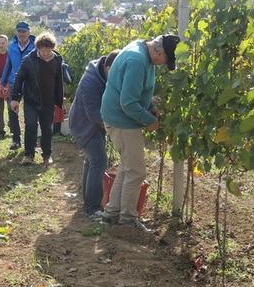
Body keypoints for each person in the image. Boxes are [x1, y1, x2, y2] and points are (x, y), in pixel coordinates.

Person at [99, 34, 180, 229]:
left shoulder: (141, 49)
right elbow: (128, 103)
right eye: (165, 60)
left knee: (128, 168)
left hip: (117, 118)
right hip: (122, 122)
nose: (162, 65)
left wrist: (149, 105)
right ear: (158, 51)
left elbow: (133, 91)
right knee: (136, 172)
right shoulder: (137, 60)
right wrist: (149, 120)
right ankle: (127, 220)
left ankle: (111, 213)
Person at [68, 50, 120, 217]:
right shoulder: (90, 81)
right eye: (115, 71)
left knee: (91, 161)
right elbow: (93, 113)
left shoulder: (104, 74)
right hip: (84, 125)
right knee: (99, 160)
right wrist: (115, 123)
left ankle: (88, 203)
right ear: (106, 66)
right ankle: (93, 208)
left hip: (93, 125)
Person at [10, 31, 64, 168]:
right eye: (43, 50)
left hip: (48, 101)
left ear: (52, 48)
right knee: (31, 126)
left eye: (48, 50)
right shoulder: (29, 60)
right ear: (38, 48)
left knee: (47, 128)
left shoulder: (57, 60)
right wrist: (15, 98)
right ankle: (29, 155)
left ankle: (47, 155)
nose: (45, 53)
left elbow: (59, 81)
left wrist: (59, 102)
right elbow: (19, 78)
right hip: (31, 100)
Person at [0, 21, 36, 150]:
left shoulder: (35, 45)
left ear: (29, 32)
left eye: (24, 31)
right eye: (19, 31)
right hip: (14, 83)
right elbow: (8, 65)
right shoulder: (12, 46)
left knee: (29, 111)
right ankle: (16, 139)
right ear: (16, 32)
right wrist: (2, 82)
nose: (21, 34)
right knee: (12, 110)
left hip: (31, 84)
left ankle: (30, 140)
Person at [52, 62, 72, 136]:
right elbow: (68, 79)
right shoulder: (63, 66)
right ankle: (56, 131)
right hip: (58, 90)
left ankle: (54, 131)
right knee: (58, 109)